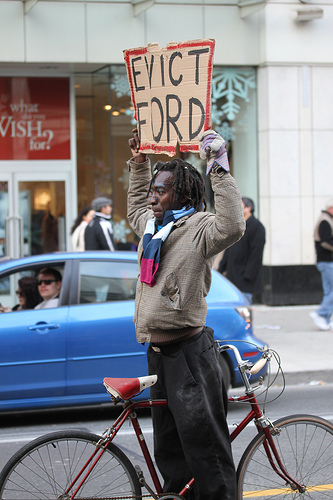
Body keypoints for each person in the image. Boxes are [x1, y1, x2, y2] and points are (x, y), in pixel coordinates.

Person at [127, 128, 245, 500]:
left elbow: (233, 225)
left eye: (160, 190)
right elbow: (135, 207)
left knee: (206, 455)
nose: (153, 196)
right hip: (158, 355)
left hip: (189, 357)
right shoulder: (153, 228)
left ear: (182, 193)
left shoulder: (198, 228)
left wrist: (218, 167)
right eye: (154, 190)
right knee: (171, 455)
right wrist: (139, 163)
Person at [218, 196, 266, 304]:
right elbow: (229, 249)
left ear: (248, 208)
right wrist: (221, 269)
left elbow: (256, 254)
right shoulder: (237, 225)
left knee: (244, 309)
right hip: (232, 276)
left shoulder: (257, 227)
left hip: (245, 279)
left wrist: (247, 276)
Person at [310, 199, 333, 331]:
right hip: (326, 261)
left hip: (326, 261)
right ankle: (321, 313)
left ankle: (326, 318)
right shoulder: (325, 220)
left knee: (329, 291)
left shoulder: (327, 219)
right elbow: (325, 242)